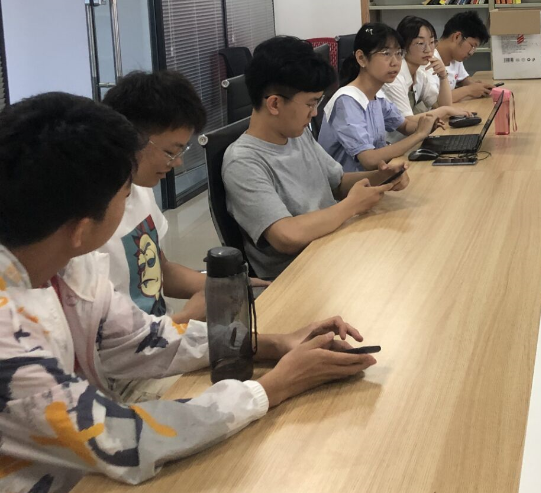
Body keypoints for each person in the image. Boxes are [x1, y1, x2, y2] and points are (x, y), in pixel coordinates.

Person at [0, 92, 377, 493]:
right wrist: (274, 386)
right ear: (80, 227)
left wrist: (273, 344)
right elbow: (121, 438)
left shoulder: (69, 262)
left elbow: (140, 338)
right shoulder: (9, 337)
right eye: (125, 194)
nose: (131, 199)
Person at [225, 36, 411, 278]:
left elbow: (337, 182)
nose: (314, 113)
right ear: (274, 104)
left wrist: (382, 177)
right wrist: (351, 206)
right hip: (300, 275)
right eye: (310, 104)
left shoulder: (296, 134)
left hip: (336, 250)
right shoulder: (243, 161)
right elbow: (286, 236)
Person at [101, 70, 268, 325]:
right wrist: (185, 319)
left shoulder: (140, 189)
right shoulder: (91, 228)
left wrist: (227, 286)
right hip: (149, 343)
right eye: (171, 151)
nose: (177, 163)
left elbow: (161, 270)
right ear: (129, 138)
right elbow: (105, 339)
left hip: (166, 335)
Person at [318, 23, 440, 172]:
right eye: (386, 53)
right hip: (351, 184)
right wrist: (419, 134)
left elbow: (404, 126)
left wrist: (426, 126)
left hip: (374, 177)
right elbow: (369, 160)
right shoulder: (346, 101)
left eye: (398, 53)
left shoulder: (377, 96)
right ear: (361, 58)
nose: (395, 62)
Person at [382, 15, 470, 120]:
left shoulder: (419, 74)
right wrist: (445, 111)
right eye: (420, 43)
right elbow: (406, 122)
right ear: (403, 46)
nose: (428, 49)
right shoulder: (395, 76)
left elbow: (442, 105)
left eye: (432, 42)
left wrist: (443, 76)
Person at [434, 11, 493, 102]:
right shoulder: (429, 60)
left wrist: (479, 87)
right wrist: (469, 90)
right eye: (472, 45)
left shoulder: (455, 58)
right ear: (457, 37)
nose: (471, 52)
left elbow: (463, 80)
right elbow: (435, 101)